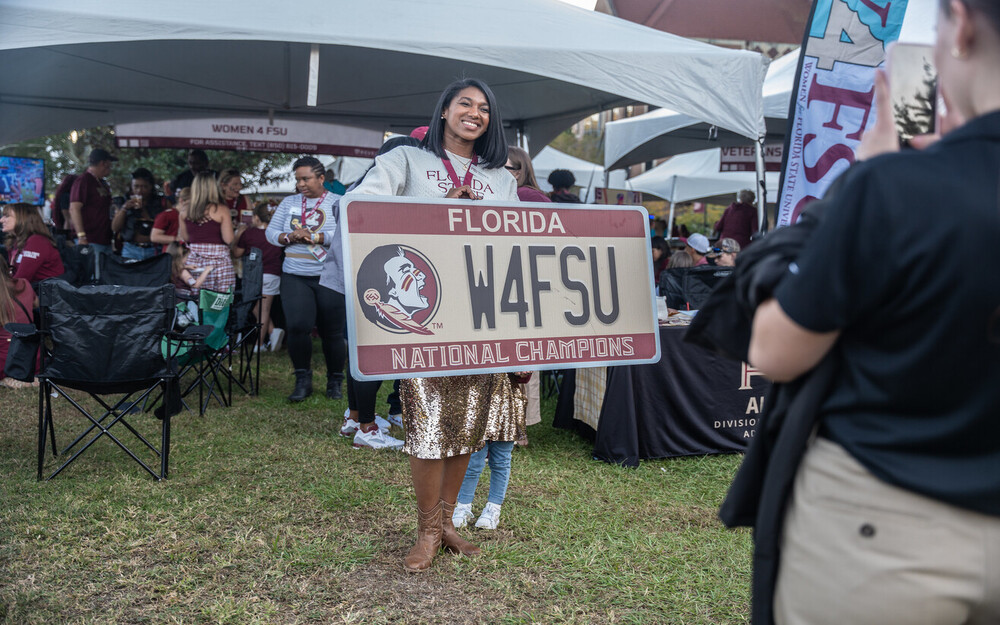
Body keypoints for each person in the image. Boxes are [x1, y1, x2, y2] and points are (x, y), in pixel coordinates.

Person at [747, 0, 1000, 621]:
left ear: (961, 24)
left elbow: (775, 351)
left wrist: (858, 191)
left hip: (883, 526)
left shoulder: (895, 187)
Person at [349, 78, 527, 572]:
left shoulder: (501, 178)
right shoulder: (405, 160)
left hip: (484, 315)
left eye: (484, 108)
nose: (475, 113)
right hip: (427, 313)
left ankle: (448, 524)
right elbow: (363, 206)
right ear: (444, 111)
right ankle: (426, 531)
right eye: (465, 104)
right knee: (429, 423)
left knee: (467, 425)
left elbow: (517, 248)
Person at [323, 136, 419, 450]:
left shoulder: (356, 188)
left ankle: (355, 417)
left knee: (359, 356)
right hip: (366, 286)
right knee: (375, 357)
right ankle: (367, 427)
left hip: (343, 282)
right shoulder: (378, 193)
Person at [265, 156, 344, 402]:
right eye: (298, 179)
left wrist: (318, 238)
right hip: (295, 275)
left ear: (321, 178)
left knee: (332, 331)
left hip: (328, 276)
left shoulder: (338, 202)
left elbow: (344, 232)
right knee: (298, 327)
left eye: (306, 178)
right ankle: (303, 379)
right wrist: (288, 236)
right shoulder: (289, 203)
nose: (301, 184)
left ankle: (334, 381)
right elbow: (270, 232)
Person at [452, 372, 528, 530]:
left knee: (500, 460)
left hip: (506, 400)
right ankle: (463, 505)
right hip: (475, 399)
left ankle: (493, 507)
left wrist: (523, 370)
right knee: (472, 459)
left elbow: (524, 372)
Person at [233, 203, 284, 352]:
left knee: (257, 306)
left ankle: (259, 344)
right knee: (263, 308)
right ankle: (272, 331)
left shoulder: (248, 234)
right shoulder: (277, 234)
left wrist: (238, 235)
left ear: (255, 217)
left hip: (252, 274)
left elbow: (236, 253)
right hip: (273, 273)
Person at [177, 172, 235, 293]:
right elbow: (228, 239)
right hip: (219, 264)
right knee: (219, 304)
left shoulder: (185, 210)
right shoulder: (221, 209)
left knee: (195, 302)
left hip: (195, 263)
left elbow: (186, 238)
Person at [112, 168, 169, 261]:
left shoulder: (161, 202)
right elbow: (115, 228)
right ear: (131, 186)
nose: (139, 190)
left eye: (144, 187)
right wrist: (124, 209)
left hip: (154, 249)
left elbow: (166, 226)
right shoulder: (123, 201)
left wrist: (143, 210)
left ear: (151, 186)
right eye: (136, 186)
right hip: (131, 248)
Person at [1, 203, 64, 287]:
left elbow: (21, 279)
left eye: (7, 216)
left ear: (22, 218)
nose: (1, 220)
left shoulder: (37, 241)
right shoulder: (15, 241)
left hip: (45, 296)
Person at [69, 148, 117, 256]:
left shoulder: (102, 183)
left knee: (105, 271)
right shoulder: (84, 180)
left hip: (105, 239)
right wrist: (81, 236)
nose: (111, 168)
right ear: (103, 163)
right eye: (109, 164)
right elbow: (74, 208)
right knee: (94, 271)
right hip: (90, 240)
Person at [0, 255, 36, 389]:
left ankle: (9, 378)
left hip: (6, 359)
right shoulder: (25, 283)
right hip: (30, 355)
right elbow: (36, 304)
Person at [150, 187, 188, 253]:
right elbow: (154, 237)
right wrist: (177, 239)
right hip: (171, 253)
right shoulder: (166, 215)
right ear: (181, 201)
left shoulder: (190, 216)